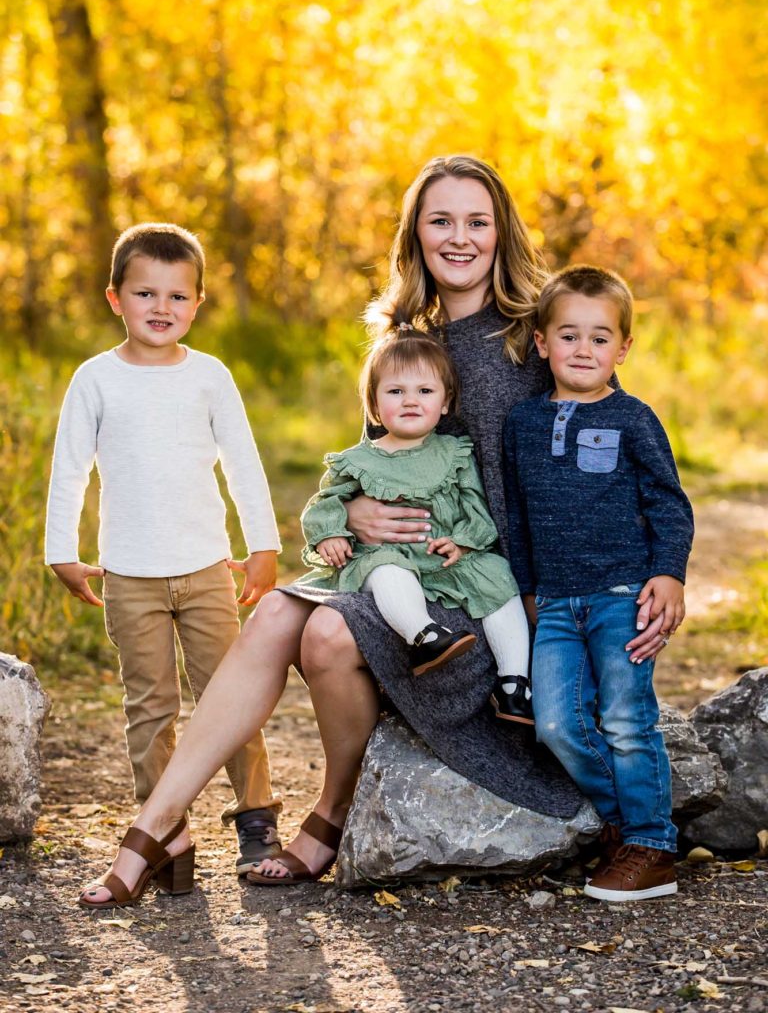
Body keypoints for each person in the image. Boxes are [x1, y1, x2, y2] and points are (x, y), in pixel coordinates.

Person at [77, 158, 669, 907]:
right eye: (440, 221)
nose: (459, 238)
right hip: (402, 571)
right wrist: (352, 516)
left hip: (492, 595)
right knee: (277, 616)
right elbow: (370, 459)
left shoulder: (535, 336)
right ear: (415, 234)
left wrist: (638, 573)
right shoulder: (403, 335)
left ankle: (330, 813)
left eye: (477, 221)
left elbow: (607, 455)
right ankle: (156, 826)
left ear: (501, 232)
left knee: (326, 635)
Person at [46, 222, 284, 879]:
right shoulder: (95, 380)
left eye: (177, 296)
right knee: (148, 705)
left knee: (226, 695)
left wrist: (261, 545)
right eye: (145, 293)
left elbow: (241, 463)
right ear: (115, 298)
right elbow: (71, 471)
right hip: (130, 577)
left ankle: (258, 819)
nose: (161, 308)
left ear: (198, 303)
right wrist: (60, 549)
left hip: (207, 570)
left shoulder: (210, 377)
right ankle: (165, 835)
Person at [503, 264, 694, 902]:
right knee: (556, 723)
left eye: (600, 337)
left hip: (621, 598)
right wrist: (528, 592)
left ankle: (651, 845)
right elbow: (519, 518)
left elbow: (669, 503)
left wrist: (668, 573)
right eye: (569, 336)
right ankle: (632, 826)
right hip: (554, 605)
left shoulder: (634, 417)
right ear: (541, 343)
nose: (583, 350)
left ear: (623, 348)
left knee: (625, 720)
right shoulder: (522, 424)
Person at [299, 312, 533, 722]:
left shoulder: (454, 453)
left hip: (445, 559)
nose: (411, 400)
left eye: (424, 390)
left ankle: (515, 683)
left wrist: (462, 540)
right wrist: (330, 534)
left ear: (444, 403)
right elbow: (324, 504)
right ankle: (423, 636)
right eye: (395, 391)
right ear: (373, 405)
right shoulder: (357, 462)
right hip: (391, 556)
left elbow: (475, 505)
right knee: (387, 568)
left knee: (497, 577)